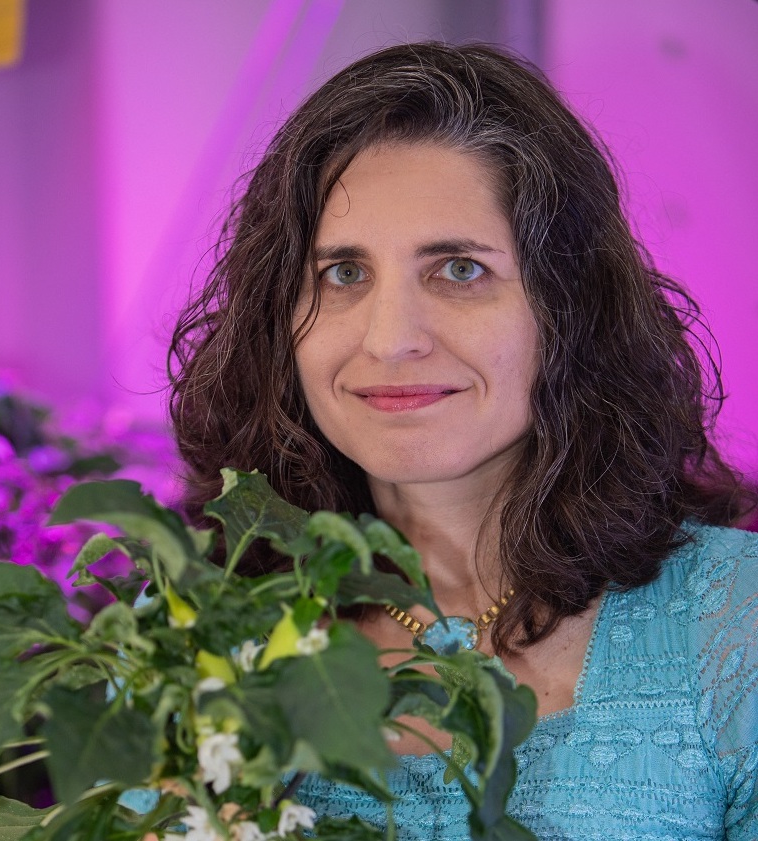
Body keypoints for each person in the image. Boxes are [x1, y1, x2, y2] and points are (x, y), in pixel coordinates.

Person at [168, 42, 757, 840]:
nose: (389, 338)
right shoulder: (194, 629)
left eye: (457, 269)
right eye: (343, 273)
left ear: (567, 306)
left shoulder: (735, 620)